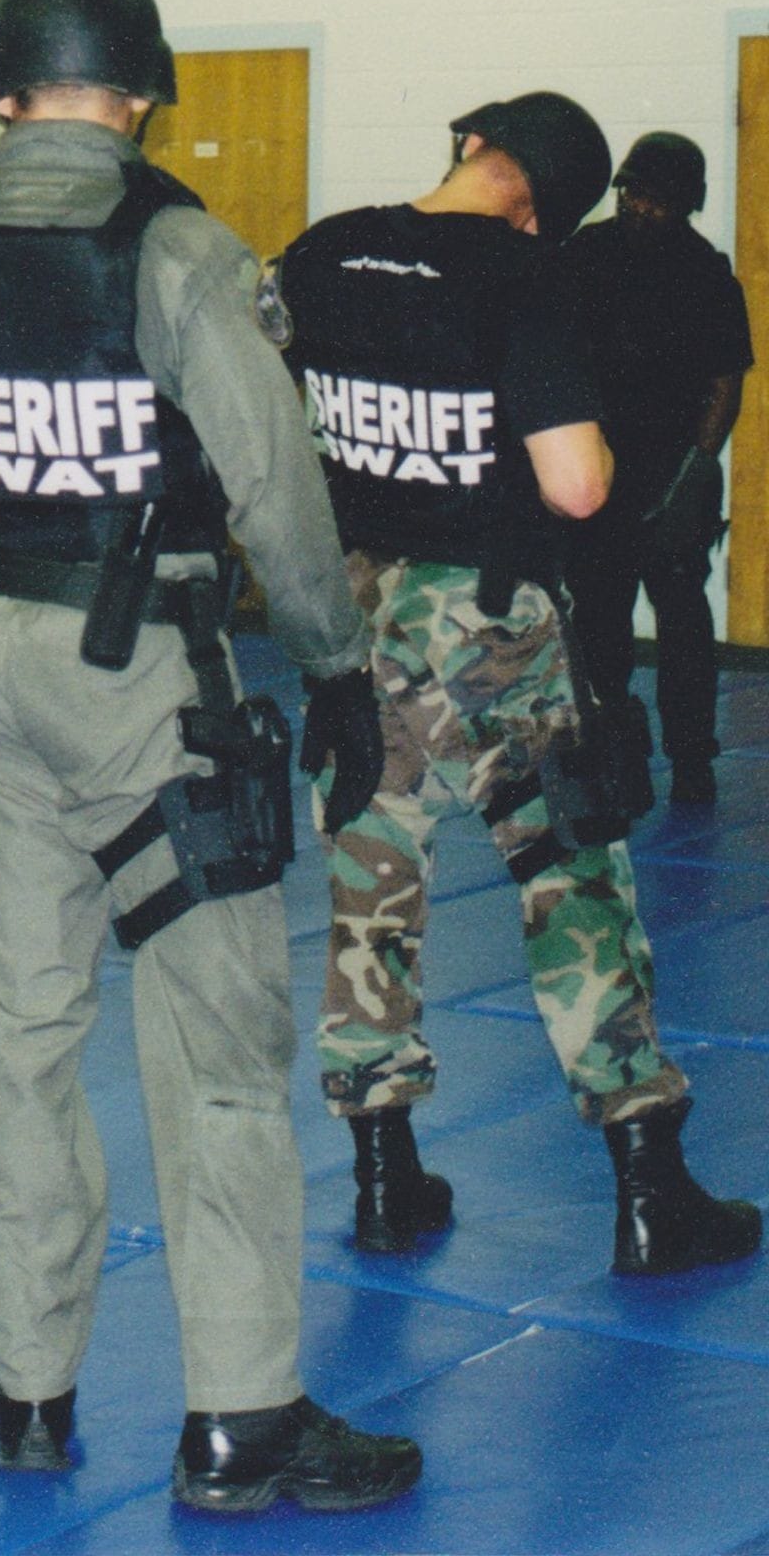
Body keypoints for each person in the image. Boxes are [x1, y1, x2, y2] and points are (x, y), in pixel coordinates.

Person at [0, 0, 417, 1513]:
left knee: (17, 1044)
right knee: (218, 1047)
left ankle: (29, 1390)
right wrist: (337, 667)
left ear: (0, 93)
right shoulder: (179, 250)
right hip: (143, 681)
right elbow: (276, 487)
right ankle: (241, 1420)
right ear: (145, 89)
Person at [274, 93, 761, 1278]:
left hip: (355, 605)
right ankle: (651, 1186)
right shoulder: (527, 278)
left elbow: (265, 423)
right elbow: (579, 486)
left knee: (370, 868)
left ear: (473, 147)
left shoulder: (324, 249)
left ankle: (383, 1173)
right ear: (546, 200)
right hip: (485, 616)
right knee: (571, 873)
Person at [560, 132, 753, 805]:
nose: (640, 208)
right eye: (632, 193)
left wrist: (697, 472)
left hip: (673, 471)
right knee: (599, 617)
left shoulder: (705, 274)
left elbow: (726, 383)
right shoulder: (584, 253)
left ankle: (692, 757)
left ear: (687, 205)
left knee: (683, 618)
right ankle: (618, 750)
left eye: (657, 200)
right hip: (597, 466)